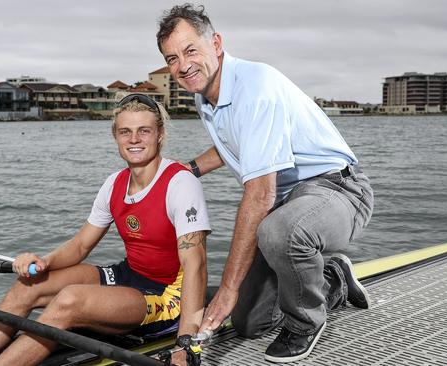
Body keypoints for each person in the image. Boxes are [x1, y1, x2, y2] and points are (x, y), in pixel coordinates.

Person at [156, 4, 374, 363]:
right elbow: (233, 145)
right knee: (249, 322)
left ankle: (307, 323)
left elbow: (260, 195)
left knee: (277, 231)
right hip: (290, 203)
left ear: (217, 43)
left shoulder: (255, 87)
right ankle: (333, 279)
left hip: (339, 190)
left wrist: (226, 290)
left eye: (190, 50)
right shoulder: (205, 93)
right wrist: (186, 170)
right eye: (172, 59)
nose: (182, 66)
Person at [0, 93, 211, 366]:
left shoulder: (180, 183)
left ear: (159, 135)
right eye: (125, 132)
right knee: (26, 287)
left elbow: (196, 266)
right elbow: (80, 246)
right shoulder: (115, 184)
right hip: (128, 275)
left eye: (143, 131)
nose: (134, 139)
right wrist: (45, 262)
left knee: (69, 299)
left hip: (166, 297)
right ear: (116, 137)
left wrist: (186, 343)